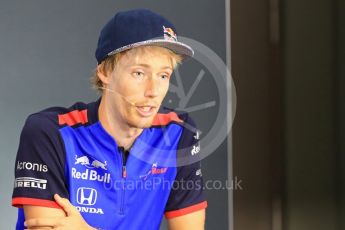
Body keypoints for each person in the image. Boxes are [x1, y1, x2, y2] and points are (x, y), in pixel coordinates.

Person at [12, 8, 207, 230]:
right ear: (104, 72)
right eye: (139, 73)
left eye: (163, 75)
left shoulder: (178, 132)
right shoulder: (49, 132)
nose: (153, 91)